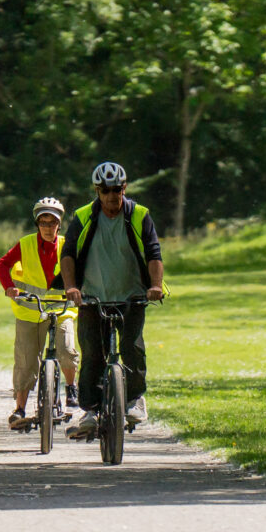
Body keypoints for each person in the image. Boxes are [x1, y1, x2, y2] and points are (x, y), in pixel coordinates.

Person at [62, 162, 165, 439]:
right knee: (93, 353)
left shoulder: (139, 215)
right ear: (97, 191)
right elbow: (69, 253)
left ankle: (134, 400)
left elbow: (154, 254)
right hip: (92, 299)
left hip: (132, 297)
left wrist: (155, 286)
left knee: (132, 348)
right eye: (106, 191)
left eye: (116, 190)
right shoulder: (84, 216)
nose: (111, 197)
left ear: (124, 188)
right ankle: (91, 410)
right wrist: (72, 287)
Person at [0, 197, 80, 429]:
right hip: (29, 312)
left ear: (59, 224)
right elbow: (2, 265)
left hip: (62, 310)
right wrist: (9, 288)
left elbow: (82, 268)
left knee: (66, 349)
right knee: (25, 362)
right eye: (43, 222)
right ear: (37, 224)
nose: (47, 227)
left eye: (51, 222)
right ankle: (20, 408)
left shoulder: (68, 244)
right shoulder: (25, 244)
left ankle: (71, 389)